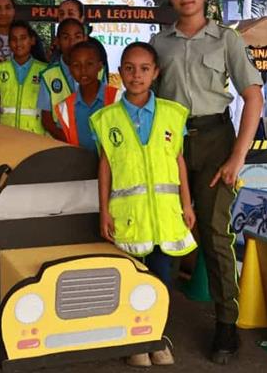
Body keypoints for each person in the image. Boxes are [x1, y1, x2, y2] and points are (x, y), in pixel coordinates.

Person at [150, 0, 263, 365]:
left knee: (216, 233)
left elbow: (254, 97)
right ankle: (150, 320)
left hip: (216, 141)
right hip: (169, 144)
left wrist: (237, 157)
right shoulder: (158, 43)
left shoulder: (226, 40)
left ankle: (226, 324)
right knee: (162, 226)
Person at [90, 41, 196, 368]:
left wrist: (187, 204)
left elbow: (178, 161)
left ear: (156, 73)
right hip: (130, 217)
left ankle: (157, 337)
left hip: (165, 217)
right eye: (130, 68)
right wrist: (104, 209)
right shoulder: (105, 119)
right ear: (120, 72)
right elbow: (105, 165)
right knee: (132, 279)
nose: (137, 75)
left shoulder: (173, 114)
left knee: (161, 280)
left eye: (144, 69)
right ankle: (136, 341)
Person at [55, 39, 119, 152]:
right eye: (76, 65)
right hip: (78, 166)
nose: (83, 70)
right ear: (70, 69)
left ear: (100, 66)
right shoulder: (65, 108)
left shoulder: (118, 98)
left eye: (89, 64)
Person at [0, 20, 47, 134]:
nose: (18, 43)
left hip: (36, 136)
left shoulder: (44, 70)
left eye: (23, 38)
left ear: (32, 40)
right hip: (6, 134)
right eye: (14, 39)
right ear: (9, 43)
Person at [40, 18, 88, 139]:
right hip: (59, 142)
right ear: (57, 41)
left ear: (85, 39)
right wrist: (70, 140)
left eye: (77, 37)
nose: (72, 42)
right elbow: (46, 121)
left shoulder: (98, 71)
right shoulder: (48, 75)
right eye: (66, 38)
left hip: (90, 143)